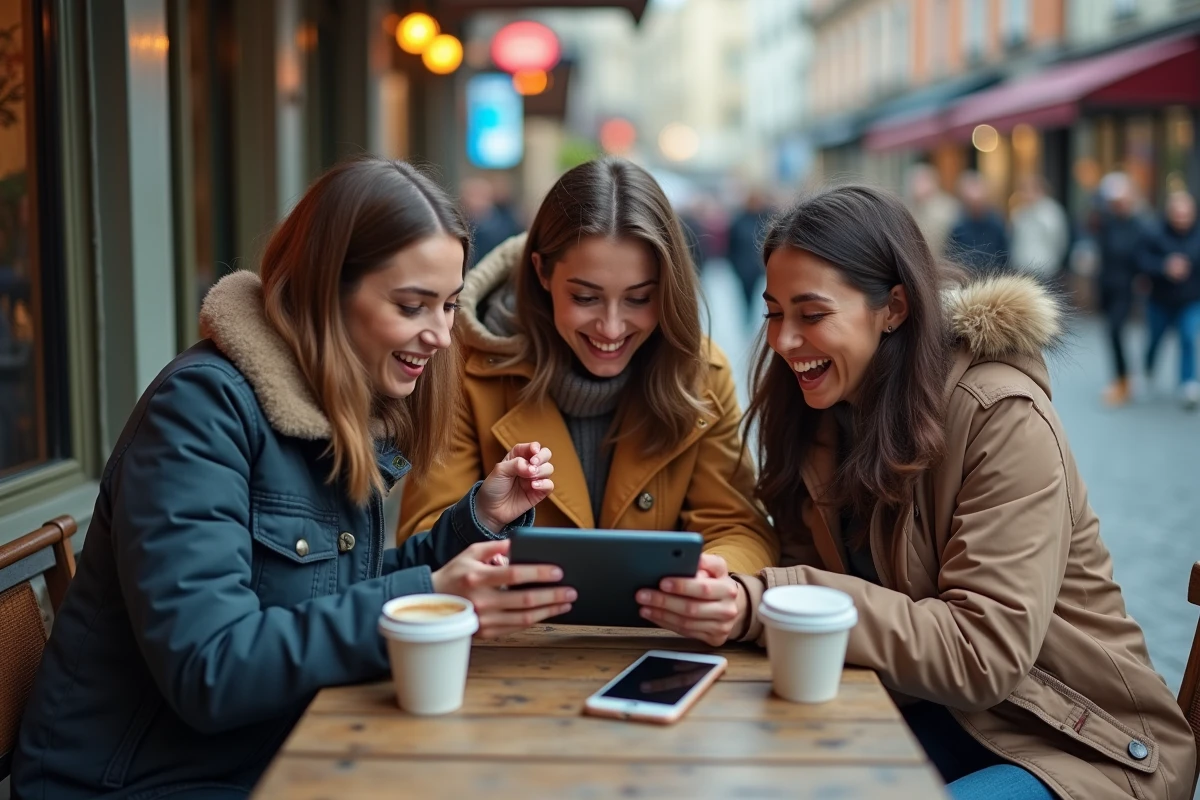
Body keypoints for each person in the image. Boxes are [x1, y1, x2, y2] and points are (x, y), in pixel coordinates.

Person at [13, 157, 577, 800]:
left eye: (448, 306)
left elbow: (334, 593)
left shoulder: (333, 405)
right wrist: (428, 596)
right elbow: (211, 669)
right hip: (141, 783)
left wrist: (475, 523)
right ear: (325, 289)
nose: (442, 336)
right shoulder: (200, 411)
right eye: (413, 305)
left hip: (272, 751)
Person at [692, 185, 1194, 799]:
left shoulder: (999, 413)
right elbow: (799, 563)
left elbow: (983, 654)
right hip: (924, 713)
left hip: (1079, 745)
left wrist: (773, 598)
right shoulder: (812, 410)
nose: (784, 340)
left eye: (812, 314)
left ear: (894, 307)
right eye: (773, 312)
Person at [399, 157, 779, 647]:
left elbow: (737, 524)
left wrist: (718, 580)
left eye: (640, 299)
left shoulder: (702, 373)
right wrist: (481, 536)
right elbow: (423, 541)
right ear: (541, 271)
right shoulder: (463, 367)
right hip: (507, 653)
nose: (612, 328)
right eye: (586, 298)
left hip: (662, 651)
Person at [1139, 189, 1200, 410]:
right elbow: (1142, 261)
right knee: (1155, 340)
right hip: (1160, 300)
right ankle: (1147, 372)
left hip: (1191, 300)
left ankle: (1188, 383)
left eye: (1186, 214)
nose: (1182, 219)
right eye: (1178, 214)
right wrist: (1164, 267)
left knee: (1188, 336)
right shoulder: (1154, 233)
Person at [1093, 173, 1148, 406]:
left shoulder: (1140, 225)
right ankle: (1122, 378)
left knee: (1115, 330)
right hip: (1107, 285)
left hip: (1127, 287)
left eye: (1121, 200)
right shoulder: (1106, 222)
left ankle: (1122, 380)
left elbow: (1143, 256)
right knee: (1111, 332)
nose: (1118, 204)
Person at [1009, 173, 1069, 280]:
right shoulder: (1019, 213)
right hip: (1022, 271)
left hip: (1046, 271)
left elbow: (1060, 242)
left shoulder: (1052, 212)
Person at [948, 170, 1009, 272]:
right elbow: (952, 255)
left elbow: (1004, 255)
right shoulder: (958, 226)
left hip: (993, 277)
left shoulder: (996, 224)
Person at [906, 162, 959, 261]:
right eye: (916, 182)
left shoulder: (948, 207)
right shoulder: (909, 208)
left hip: (943, 262)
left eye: (923, 181)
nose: (918, 186)